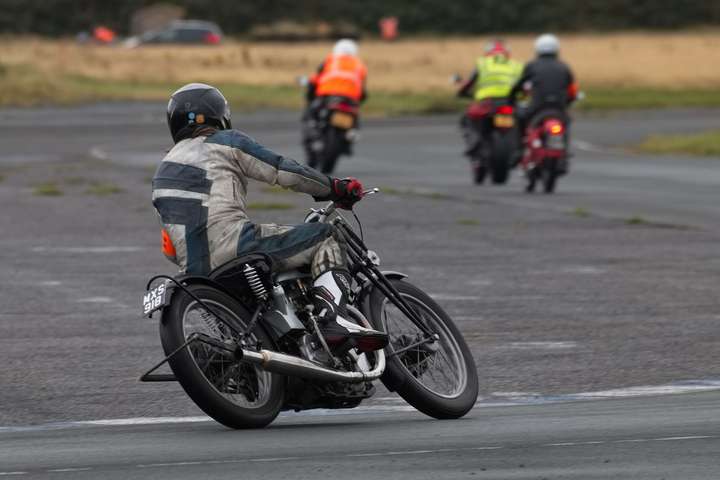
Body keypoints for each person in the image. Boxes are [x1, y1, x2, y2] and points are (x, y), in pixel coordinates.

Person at [153, 83, 387, 352]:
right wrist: (335, 187)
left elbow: (169, 247)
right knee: (327, 236)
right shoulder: (225, 142)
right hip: (238, 246)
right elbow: (282, 170)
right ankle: (329, 321)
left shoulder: (162, 172)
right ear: (220, 115)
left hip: (196, 272)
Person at [302, 39, 367, 157]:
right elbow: (363, 90)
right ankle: (350, 134)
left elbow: (315, 79)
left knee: (311, 113)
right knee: (355, 115)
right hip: (350, 99)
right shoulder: (359, 65)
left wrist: (310, 94)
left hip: (327, 95)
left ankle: (313, 128)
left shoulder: (330, 60)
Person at [456, 39, 523, 154]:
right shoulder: (516, 65)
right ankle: (519, 146)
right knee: (522, 120)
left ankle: (474, 142)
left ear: (488, 53)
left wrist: (462, 92)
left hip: (487, 103)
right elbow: (523, 86)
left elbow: (469, 83)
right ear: (507, 53)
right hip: (509, 102)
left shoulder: (483, 63)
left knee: (466, 118)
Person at [509, 34, 578, 135]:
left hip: (537, 106)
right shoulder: (564, 67)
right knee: (566, 121)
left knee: (520, 119)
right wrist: (568, 101)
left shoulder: (532, 65)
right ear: (556, 49)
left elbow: (520, 85)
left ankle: (521, 146)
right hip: (559, 107)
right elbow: (572, 90)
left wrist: (512, 96)